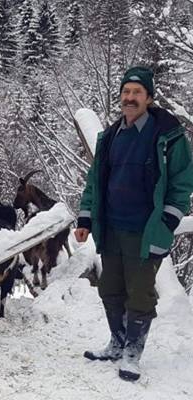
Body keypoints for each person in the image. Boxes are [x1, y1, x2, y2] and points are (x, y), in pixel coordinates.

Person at [74, 66, 193, 381]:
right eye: (126, 92)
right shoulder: (111, 136)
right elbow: (94, 182)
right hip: (111, 228)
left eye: (137, 93)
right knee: (110, 289)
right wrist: (86, 215)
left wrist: (168, 221)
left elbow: (182, 183)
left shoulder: (167, 135)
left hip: (145, 231)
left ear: (149, 98)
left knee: (140, 294)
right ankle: (116, 342)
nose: (130, 98)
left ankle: (132, 353)